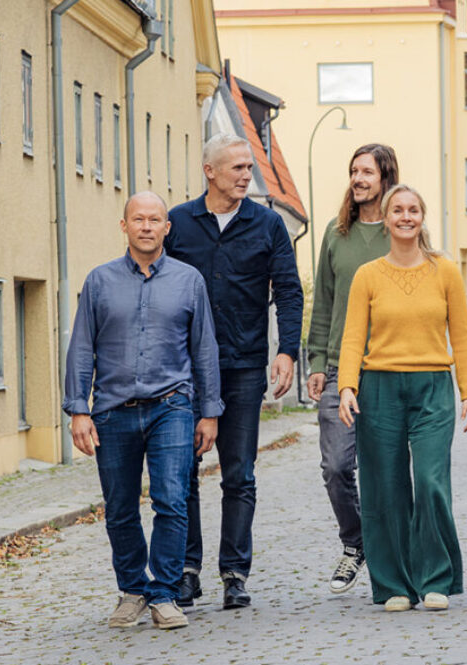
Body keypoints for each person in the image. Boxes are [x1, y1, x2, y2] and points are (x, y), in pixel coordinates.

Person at [63, 192, 223, 630]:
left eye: (155, 219)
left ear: (167, 227)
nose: (147, 227)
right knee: (119, 507)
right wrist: (79, 409)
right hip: (113, 411)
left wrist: (208, 413)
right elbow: (81, 348)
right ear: (125, 226)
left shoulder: (189, 281)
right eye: (139, 219)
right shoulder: (99, 282)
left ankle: (165, 593)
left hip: (172, 406)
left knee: (172, 500)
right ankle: (133, 590)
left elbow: (204, 349)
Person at [166, 133, 304, 609]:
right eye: (238, 168)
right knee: (182, 471)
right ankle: (186, 570)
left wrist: (287, 351)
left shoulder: (267, 225)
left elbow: (288, 290)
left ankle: (234, 572)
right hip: (183, 370)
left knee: (239, 474)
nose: (248, 175)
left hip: (244, 365)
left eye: (250, 167)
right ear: (210, 171)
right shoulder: (178, 224)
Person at [337, 184, 467, 612]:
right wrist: (347, 386)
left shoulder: (445, 271)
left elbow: (464, 336)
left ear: (422, 217)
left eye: (413, 209)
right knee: (384, 488)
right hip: (379, 388)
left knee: (432, 482)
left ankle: (435, 578)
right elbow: (352, 337)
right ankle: (394, 585)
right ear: (386, 216)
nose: (405, 216)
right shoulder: (368, 275)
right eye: (397, 210)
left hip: (433, 386)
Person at [306, 143, 399, 594]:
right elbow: (323, 300)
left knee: (384, 469)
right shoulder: (336, 233)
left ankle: (389, 555)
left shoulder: (402, 231)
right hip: (339, 367)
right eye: (353, 170)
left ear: (385, 177)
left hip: (387, 366)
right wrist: (316, 361)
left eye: (366, 171)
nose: (358, 178)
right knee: (337, 467)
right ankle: (355, 542)